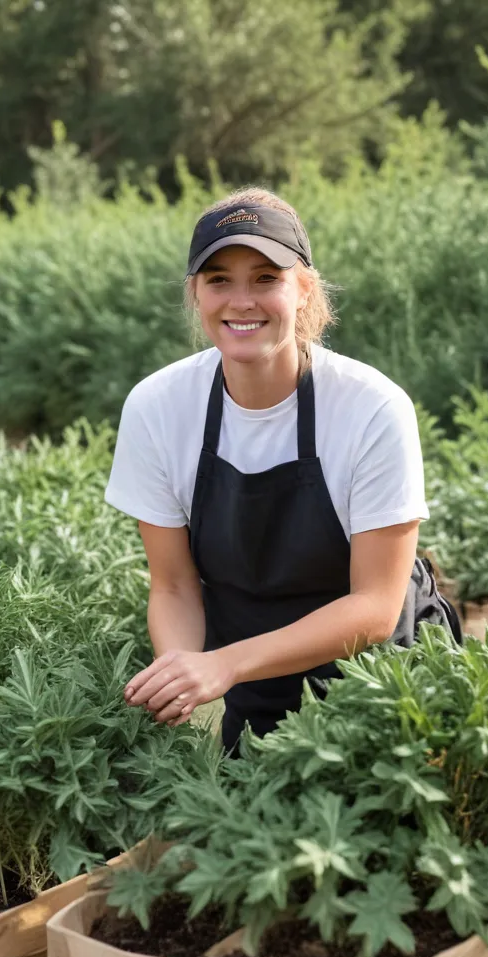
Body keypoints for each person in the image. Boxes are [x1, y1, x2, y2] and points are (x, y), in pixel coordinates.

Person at [105, 187, 456, 754]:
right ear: (195, 293)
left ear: (303, 289)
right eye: (219, 279)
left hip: (384, 683)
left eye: (266, 278)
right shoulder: (158, 407)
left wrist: (223, 665)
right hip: (251, 680)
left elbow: (374, 606)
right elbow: (174, 584)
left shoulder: (372, 408)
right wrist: (181, 675)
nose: (241, 301)